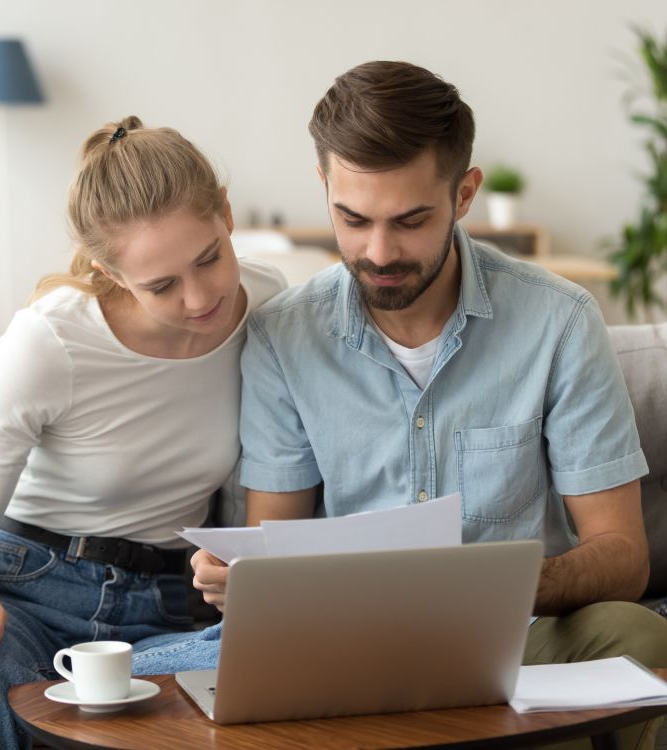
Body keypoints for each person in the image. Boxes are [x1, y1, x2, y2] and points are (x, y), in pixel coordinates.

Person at [192, 61, 667, 749]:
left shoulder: (557, 322)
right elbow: (271, 547)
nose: (378, 252)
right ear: (324, 185)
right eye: (352, 219)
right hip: (352, 658)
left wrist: (493, 589)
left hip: (521, 642)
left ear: (464, 193)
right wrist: (247, 582)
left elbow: (623, 555)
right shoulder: (283, 339)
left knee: (640, 634)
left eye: (411, 221)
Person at [0, 116, 285, 750]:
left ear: (226, 215)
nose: (201, 299)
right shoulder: (50, 340)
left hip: (168, 610)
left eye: (209, 258)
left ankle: (85, 687)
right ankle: (79, 688)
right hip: (26, 590)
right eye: (162, 285)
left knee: (279, 654)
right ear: (109, 272)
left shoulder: (273, 304)